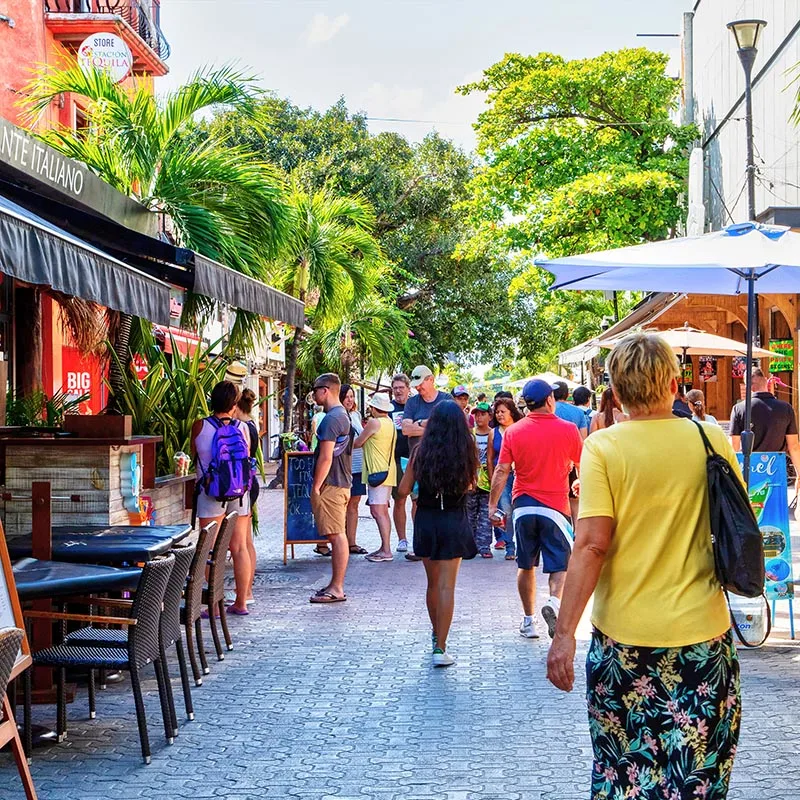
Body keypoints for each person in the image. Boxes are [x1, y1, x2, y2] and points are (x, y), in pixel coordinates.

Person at [546, 332, 742, 800]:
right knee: (698, 778)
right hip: (703, 636)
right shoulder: (710, 437)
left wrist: (564, 633)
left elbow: (591, 545)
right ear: (674, 383)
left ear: (615, 392)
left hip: (624, 641)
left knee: (623, 774)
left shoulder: (604, 448)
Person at [489, 379, 582, 639]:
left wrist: (492, 505)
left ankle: (528, 621)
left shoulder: (514, 432)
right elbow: (581, 464)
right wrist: (579, 483)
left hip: (523, 506)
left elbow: (501, 470)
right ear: (550, 400)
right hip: (556, 506)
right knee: (559, 564)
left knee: (525, 564)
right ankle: (553, 603)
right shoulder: (569, 429)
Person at [397, 402, 478, 667]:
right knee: (447, 586)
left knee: (432, 584)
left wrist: (421, 491)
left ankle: (435, 636)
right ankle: (441, 647)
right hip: (454, 518)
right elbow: (472, 485)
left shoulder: (421, 451)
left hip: (427, 518)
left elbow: (403, 489)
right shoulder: (466, 451)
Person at [191, 381, 253, 616]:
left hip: (211, 491)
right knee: (239, 548)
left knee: (209, 549)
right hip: (239, 491)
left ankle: (215, 605)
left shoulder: (200, 426)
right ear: (235, 404)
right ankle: (241, 602)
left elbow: (193, 455)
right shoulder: (243, 427)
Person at [309, 373, 353, 603]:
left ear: (325, 390)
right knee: (337, 535)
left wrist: (316, 486)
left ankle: (337, 587)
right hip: (340, 483)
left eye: (315, 389)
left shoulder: (332, 419)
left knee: (336, 536)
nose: (314, 394)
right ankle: (335, 585)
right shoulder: (339, 416)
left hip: (333, 485)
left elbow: (326, 457)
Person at [730, 367, 800, 490]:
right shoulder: (786, 408)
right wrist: (799, 474)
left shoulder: (739, 409)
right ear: (766, 381)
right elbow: (793, 446)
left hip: (749, 469)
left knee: (751, 507)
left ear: (749, 386)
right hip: (776, 469)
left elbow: (734, 447)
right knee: (776, 507)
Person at [354, 393, 397, 563]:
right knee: (382, 511)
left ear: (373, 408)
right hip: (387, 470)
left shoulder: (374, 423)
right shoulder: (390, 423)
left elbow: (358, 442)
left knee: (378, 511)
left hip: (377, 472)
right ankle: (384, 547)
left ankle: (386, 550)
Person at [234, 387, 260, 609]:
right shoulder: (252, 425)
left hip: (241, 485)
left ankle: (246, 590)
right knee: (247, 541)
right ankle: (247, 589)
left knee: (242, 542)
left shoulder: (241, 427)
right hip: (250, 484)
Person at [490, 397, 523, 559]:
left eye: (503, 412)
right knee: (506, 511)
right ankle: (510, 546)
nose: (499, 415)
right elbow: (490, 459)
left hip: (520, 476)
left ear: (512, 412)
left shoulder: (521, 429)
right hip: (502, 477)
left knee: (521, 511)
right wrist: (492, 478)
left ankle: (523, 545)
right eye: (497, 412)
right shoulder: (493, 433)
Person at [553, 381, 587, 522]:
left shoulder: (550, 411)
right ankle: (576, 533)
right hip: (574, 460)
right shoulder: (578, 412)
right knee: (575, 499)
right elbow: (583, 439)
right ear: (567, 395)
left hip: (553, 461)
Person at [340, 384, 367, 556]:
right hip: (343, 466)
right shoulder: (337, 416)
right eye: (347, 397)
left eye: (352, 396)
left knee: (354, 504)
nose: (350, 400)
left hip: (357, 465)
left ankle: (352, 541)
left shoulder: (356, 415)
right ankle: (340, 541)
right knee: (341, 504)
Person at [467, 401, 494, 558]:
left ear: (489, 416)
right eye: (476, 414)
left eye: (482, 414)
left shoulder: (494, 433)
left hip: (488, 479)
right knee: (469, 512)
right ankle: (469, 545)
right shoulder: (471, 435)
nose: (479, 417)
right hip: (472, 479)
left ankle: (484, 545)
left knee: (485, 513)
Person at [389, 374, 412, 553]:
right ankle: (402, 539)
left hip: (416, 458)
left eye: (401, 388)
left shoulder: (415, 405)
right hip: (396, 460)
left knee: (418, 501)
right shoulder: (388, 408)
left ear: (408, 388)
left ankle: (418, 537)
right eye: (395, 388)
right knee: (399, 500)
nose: (398, 391)